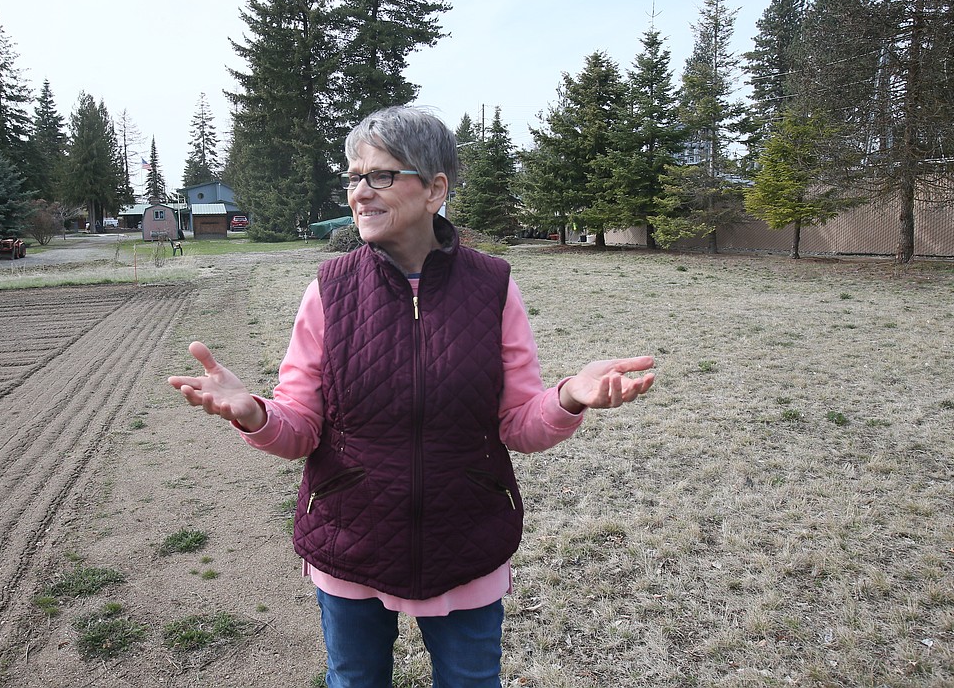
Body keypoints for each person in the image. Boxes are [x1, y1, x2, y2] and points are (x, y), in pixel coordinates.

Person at [168, 106, 655, 687]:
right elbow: (300, 428)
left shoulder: (494, 286)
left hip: (465, 535)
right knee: (355, 680)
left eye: (380, 176)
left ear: (434, 189)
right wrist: (254, 414)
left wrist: (570, 396)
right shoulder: (329, 291)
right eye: (353, 177)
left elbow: (520, 426)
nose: (359, 193)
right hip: (352, 536)